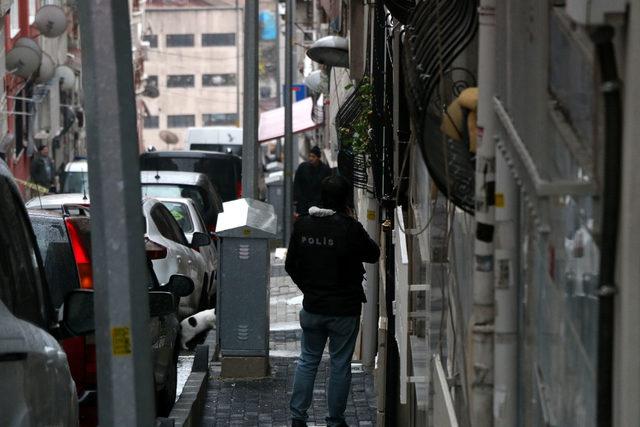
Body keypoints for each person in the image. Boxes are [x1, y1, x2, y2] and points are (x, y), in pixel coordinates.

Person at [285, 175, 380, 427]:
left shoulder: (303, 226)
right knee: (340, 365)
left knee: (307, 360)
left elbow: (290, 265)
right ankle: (335, 420)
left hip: (313, 306)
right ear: (345, 200)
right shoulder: (349, 228)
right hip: (344, 309)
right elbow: (373, 254)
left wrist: (309, 288)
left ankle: (297, 417)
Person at [293, 145, 332, 216]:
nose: (311, 158)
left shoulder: (325, 170)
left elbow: (327, 187)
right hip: (303, 204)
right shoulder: (303, 167)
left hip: (318, 205)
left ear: (318, 158)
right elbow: (296, 183)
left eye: (313, 157)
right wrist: (296, 199)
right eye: (310, 156)